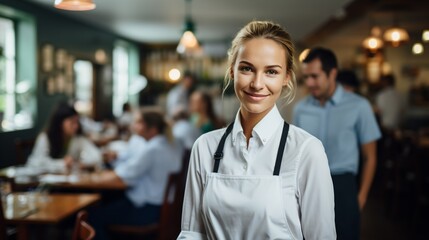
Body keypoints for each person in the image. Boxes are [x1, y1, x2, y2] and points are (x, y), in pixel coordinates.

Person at [178, 21, 336, 239]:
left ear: (286, 78)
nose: (257, 84)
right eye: (247, 68)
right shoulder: (204, 147)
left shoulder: (306, 151)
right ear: (232, 71)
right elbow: (191, 233)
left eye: (271, 72)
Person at [293, 47, 381, 240]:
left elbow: (370, 156)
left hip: (343, 185)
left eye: (314, 76)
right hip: (308, 184)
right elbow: (295, 154)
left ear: (332, 73)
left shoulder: (359, 106)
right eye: (306, 77)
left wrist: (361, 197)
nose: (309, 83)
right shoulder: (300, 109)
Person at [89, 111, 184, 240]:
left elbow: (124, 175)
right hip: (165, 209)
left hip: (147, 210)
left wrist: (94, 178)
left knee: (93, 217)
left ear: (152, 129)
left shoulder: (152, 149)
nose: (134, 126)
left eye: (139, 123)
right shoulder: (172, 143)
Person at [27, 102, 102, 173]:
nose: (75, 126)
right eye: (72, 122)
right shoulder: (45, 137)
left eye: (77, 122)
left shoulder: (77, 138)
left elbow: (96, 156)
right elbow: (36, 163)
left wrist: (82, 163)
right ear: (60, 122)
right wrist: (62, 163)